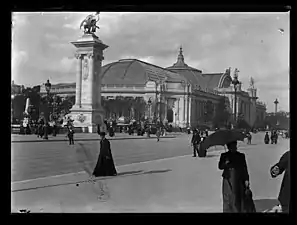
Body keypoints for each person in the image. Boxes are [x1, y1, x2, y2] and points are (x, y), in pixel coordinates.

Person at [218, 141, 251, 212]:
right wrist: (225, 163)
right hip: (228, 179)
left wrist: (246, 179)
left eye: (235, 146)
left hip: (239, 179)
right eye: (232, 146)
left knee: (237, 196)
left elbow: (244, 168)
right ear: (228, 147)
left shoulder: (241, 156)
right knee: (228, 197)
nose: (234, 148)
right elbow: (220, 166)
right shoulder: (224, 155)